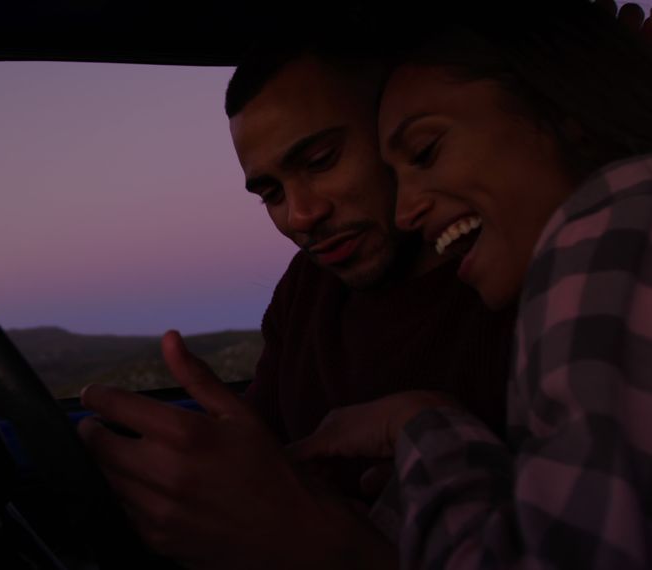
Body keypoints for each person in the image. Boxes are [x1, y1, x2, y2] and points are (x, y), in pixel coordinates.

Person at [77, 4, 516, 567]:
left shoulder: (518, 286)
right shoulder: (311, 285)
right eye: (271, 194)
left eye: (320, 160)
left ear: (395, 124)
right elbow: (261, 455)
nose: (299, 215)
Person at [291, 1, 652, 567]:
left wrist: (417, 428)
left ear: (563, 110)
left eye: (426, 151)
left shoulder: (607, 224)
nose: (406, 212)